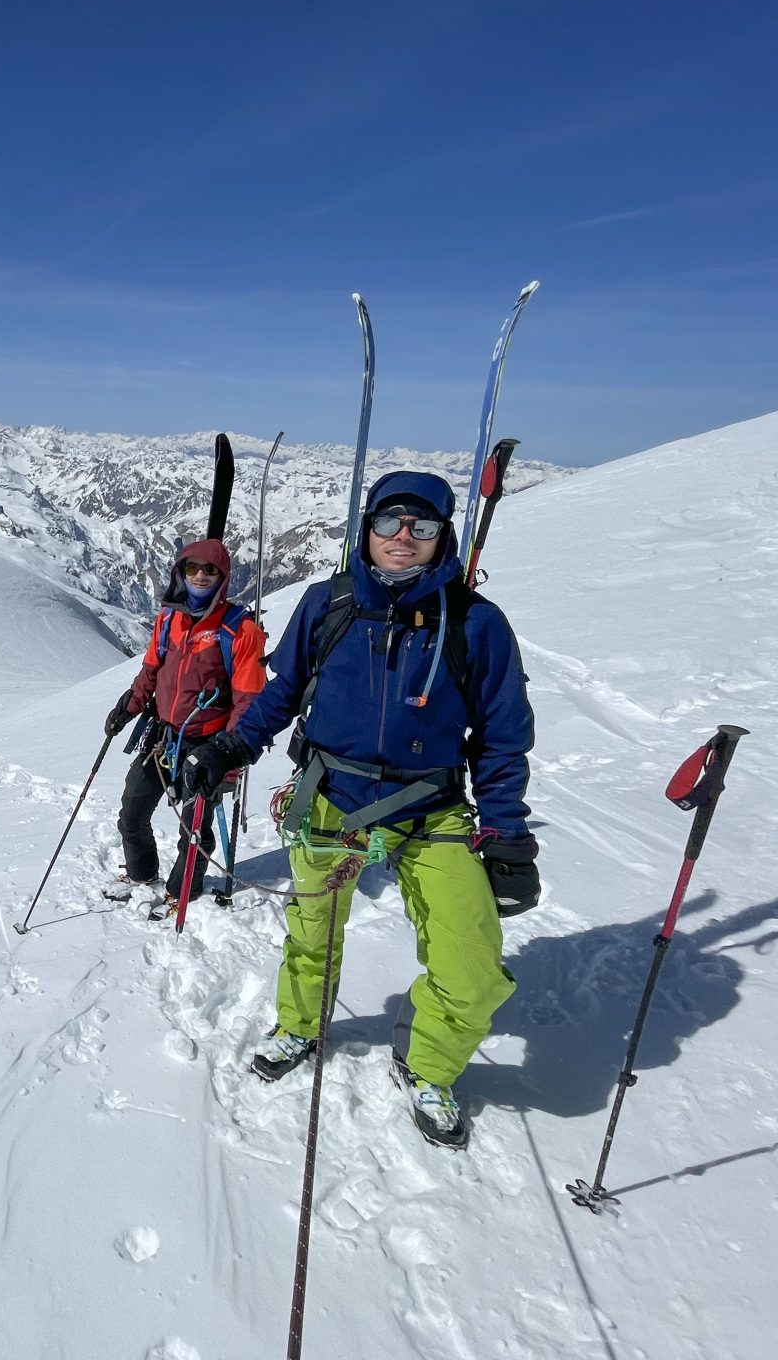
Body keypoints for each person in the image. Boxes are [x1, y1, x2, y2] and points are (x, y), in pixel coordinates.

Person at [177, 471, 538, 1149]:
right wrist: (231, 747)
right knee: (311, 934)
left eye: (423, 527)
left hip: (432, 811)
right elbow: (286, 692)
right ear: (366, 529)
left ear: (444, 537)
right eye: (391, 523)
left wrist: (508, 835)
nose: (405, 538)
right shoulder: (329, 603)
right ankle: (301, 1026)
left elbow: (501, 739)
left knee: (473, 968)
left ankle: (426, 1063)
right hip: (332, 799)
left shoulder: (476, 624)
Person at [105, 538, 267, 922]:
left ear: (223, 576)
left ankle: (184, 890)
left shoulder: (239, 630)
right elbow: (151, 672)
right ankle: (143, 875)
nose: (199, 575)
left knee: (194, 826)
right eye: (191, 567)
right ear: (180, 571)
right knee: (133, 809)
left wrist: (229, 755)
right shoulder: (168, 619)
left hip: (209, 742)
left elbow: (247, 700)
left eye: (209, 570)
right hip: (162, 734)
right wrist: (127, 707)